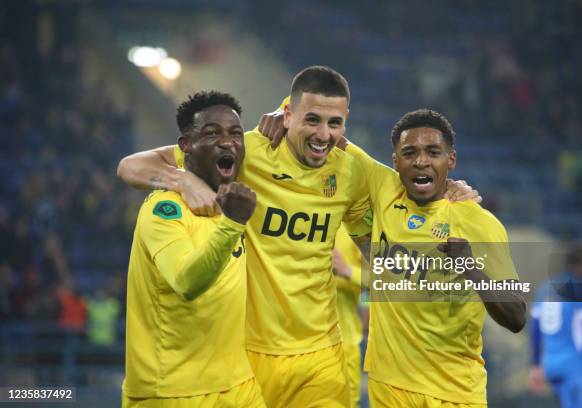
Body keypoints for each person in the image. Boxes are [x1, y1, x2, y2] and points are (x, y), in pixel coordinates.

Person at [117, 66, 478, 407]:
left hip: (320, 355)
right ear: (287, 116)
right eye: (312, 120)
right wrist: (184, 180)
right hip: (247, 356)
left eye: (334, 123)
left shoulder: (354, 170)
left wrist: (452, 189)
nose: (324, 134)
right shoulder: (246, 151)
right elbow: (131, 165)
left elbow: (410, 189)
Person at [345, 109, 526, 407]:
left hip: (453, 392)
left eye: (433, 152)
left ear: (450, 160)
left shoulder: (480, 224)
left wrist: (469, 267)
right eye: (409, 152)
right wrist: (281, 112)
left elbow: (516, 317)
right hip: (390, 388)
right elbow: (328, 134)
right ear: (395, 162)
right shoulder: (382, 191)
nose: (421, 161)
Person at [121, 91, 264, 407]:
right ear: (185, 147)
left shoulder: (360, 182)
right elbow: (187, 282)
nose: (227, 141)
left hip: (247, 381)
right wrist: (182, 181)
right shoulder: (164, 208)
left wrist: (361, 279)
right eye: (212, 133)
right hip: (175, 391)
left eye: (235, 133)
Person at [529, 247, 582, 408]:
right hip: (573, 365)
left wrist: (536, 365)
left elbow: (535, 330)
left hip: (550, 363)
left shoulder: (545, 288)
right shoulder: (579, 288)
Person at [332, 225, 367, 408]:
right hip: (290, 345)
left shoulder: (354, 228)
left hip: (343, 344)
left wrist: (347, 271)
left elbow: (384, 281)